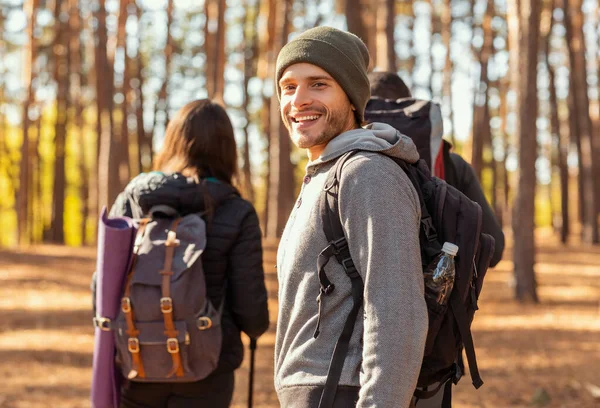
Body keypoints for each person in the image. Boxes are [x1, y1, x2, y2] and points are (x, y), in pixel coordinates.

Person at [273, 27, 428, 408]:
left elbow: (397, 312)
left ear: (352, 96)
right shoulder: (324, 175)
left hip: (341, 392)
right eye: (288, 87)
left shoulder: (367, 174)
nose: (299, 100)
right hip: (314, 392)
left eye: (319, 84)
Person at [92, 99, 270, 408]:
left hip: (137, 361)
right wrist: (256, 328)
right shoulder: (237, 211)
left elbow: (101, 291)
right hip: (207, 371)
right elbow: (250, 311)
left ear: (173, 141)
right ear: (228, 150)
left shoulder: (133, 201)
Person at [367, 71, 505, 267]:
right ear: (408, 103)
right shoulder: (453, 165)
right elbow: (494, 248)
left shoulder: (343, 160)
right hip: (434, 292)